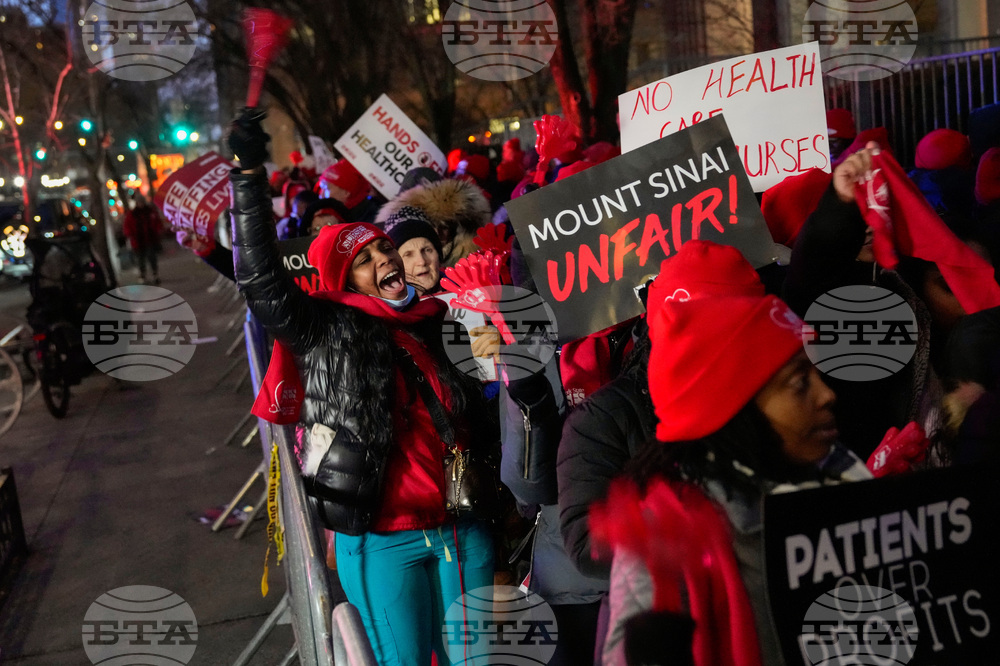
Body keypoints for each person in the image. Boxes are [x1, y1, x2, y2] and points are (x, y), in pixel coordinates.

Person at [227, 109, 495, 666]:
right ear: (344, 281)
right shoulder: (324, 329)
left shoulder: (436, 316)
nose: (387, 261)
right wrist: (247, 178)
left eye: (384, 250)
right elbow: (259, 278)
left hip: (461, 529)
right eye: (366, 261)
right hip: (384, 541)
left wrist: (495, 367)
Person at [594, 293, 871, 665]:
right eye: (799, 382)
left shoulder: (843, 470)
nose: (827, 394)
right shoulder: (670, 534)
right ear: (737, 406)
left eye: (816, 373)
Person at [384, 207, 444, 296]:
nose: (422, 261)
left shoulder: (465, 289)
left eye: (427, 250)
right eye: (408, 254)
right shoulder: (391, 308)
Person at [122, 193, 163, 284]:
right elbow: (127, 227)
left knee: (152, 258)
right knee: (141, 260)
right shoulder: (132, 214)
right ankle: (143, 276)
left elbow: (157, 222)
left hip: (150, 239)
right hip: (138, 241)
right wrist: (130, 235)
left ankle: (155, 274)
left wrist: (158, 231)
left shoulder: (150, 211)